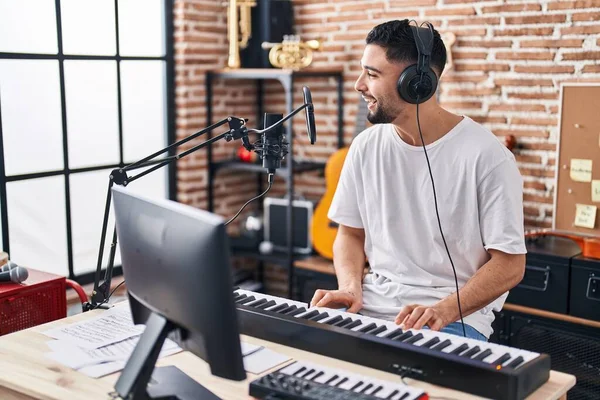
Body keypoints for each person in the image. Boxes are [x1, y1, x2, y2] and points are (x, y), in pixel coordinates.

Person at [309, 19, 526, 341]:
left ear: (417, 82)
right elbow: (350, 234)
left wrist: (445, 309)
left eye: (371, 74)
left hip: (451, 318)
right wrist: (349, 287)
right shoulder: (366, 145)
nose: (358, 85)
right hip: (369, 304)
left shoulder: (488, 157)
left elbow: (510, 265)